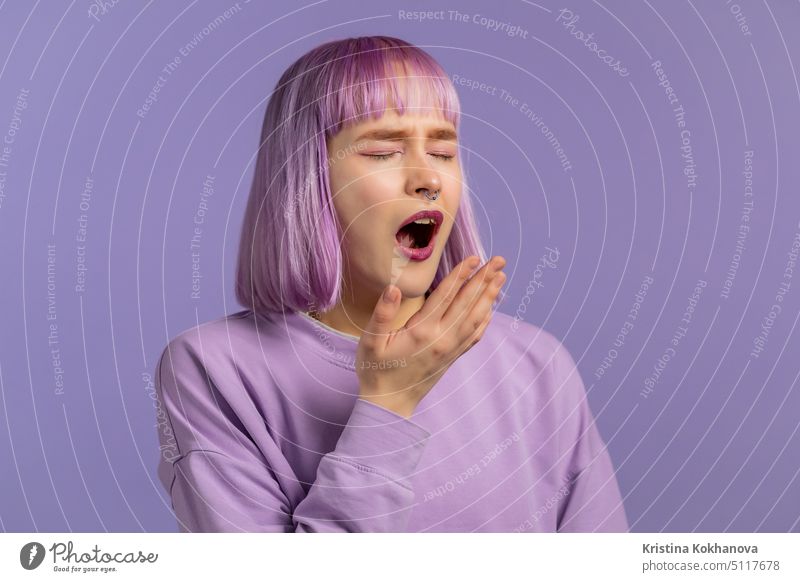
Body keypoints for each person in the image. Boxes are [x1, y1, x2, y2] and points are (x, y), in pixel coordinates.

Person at [154, 35, 628, 532]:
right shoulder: (211, 369)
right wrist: (389, 401)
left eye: (443, 150)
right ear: (308, 179)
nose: (429, 179)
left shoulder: (537, 365)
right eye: (383, 151)